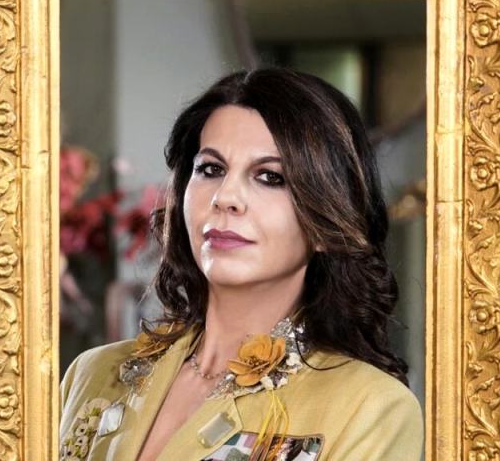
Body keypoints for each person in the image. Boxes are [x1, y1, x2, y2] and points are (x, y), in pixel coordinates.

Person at [58, 67, 423, 461]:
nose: (226, 197)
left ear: (326, 221)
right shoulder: (92, 375)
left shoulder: (370, 407)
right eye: (211, 169)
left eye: (270, 177)